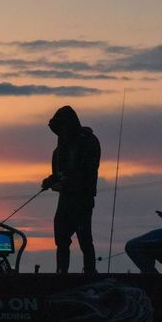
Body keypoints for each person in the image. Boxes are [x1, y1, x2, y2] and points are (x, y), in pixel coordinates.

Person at [41, 105, 101, 274]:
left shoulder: (89, 142)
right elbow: (60, 173)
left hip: (82, 199)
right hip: (65, 200)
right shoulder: (59, 149)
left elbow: (87, 172)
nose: (60, 132)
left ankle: (90, 272)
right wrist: (50, 181)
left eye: (62, 127)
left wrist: (65, 184)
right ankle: (61, 272)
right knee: (61, 238)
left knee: (85, 239)